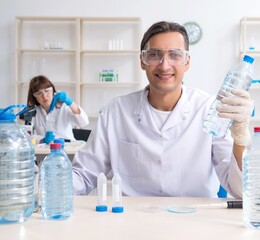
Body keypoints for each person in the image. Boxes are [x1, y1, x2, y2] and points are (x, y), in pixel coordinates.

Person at [72, 21, 253, 198]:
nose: (164, 65)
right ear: (142, 61)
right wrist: (51, 181)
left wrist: (240, 138)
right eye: (154, 55)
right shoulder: (116, 112)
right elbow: (84, 175)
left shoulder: (209, 109)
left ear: (187, 62)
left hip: (196, 221)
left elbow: (239, 190)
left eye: (174, 55)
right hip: (132, 221)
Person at [27, 75, 89, 143]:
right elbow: (27, 137)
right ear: (34, 97)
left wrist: (71, 103)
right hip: (43, 151)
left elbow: (84, 122)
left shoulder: (63, 107)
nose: (44, 96)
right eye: (39, 93)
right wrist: (42, 140)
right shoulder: (33, 112)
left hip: (68, 149)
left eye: (47, 90)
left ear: (53, 90)